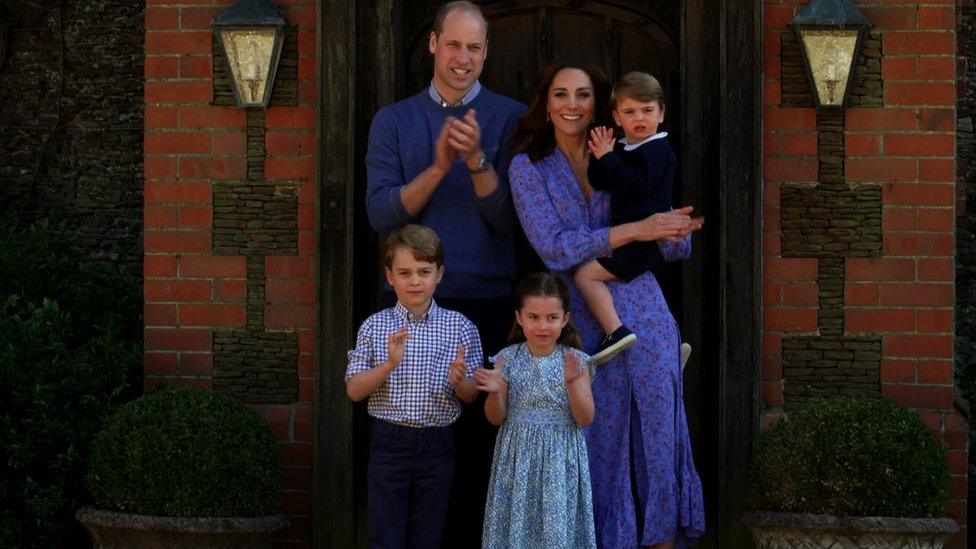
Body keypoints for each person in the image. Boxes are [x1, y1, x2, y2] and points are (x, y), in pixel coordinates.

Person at [507, 59, 706, 548]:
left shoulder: (629, 150)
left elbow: (671, 240)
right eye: (560, 94)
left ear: (601, 106)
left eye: (582, 95)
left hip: (644, 301)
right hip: (578, 316)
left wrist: (673, 231)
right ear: (545, 103)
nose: (571, 105)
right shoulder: (527, 166)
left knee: (659, 433)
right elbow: (553, 246)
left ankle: (661, 540)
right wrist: (638, 230)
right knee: (598, 438)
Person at [364, 2, 525, 544]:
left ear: (486, 52)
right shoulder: (393, 120)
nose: (462, 58)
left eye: (474, 48)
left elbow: (509, 220)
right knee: (406, 449)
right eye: (453, 45)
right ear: (433, 44)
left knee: (478, 448)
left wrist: (478, 161)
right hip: (410, 305)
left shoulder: (512, 118)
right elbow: (382, 214)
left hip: (486, 301)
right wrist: (437, 167)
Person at [345, 224, 481, 548]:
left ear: (440, 274)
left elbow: (472, 395)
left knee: (428, 535)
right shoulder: (375, 326)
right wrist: (389, 364)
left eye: (424, 271)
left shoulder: (460, 327)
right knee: (385, 535)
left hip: (437, 443)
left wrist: (461, 381)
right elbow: (354, 390)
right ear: (390, 277)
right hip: (389, 443)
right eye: (405, 272)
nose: (415, 281)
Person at [475, 273, 596, 548]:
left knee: (556, 531)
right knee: (518, 528)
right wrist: (495, 392)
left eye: (552, 317)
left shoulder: (576, 361)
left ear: (565, 318)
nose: (543, 326)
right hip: (518, 459)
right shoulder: (507, 358)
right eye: (533, 317)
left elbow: (585, 418)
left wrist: (574, 384)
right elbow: (495, 418)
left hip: (559, 459)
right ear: (519, 317)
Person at [576, 71, 677, 365]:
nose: (640, 118)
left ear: (661, 113)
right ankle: (664, 346)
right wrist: (600, 154)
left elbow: (635, 185)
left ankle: (615, 331)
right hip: (629, 240)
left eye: (647, 110)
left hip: (642, 244)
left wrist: (609, 158)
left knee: (585, 275)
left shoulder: (657, 150)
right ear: (618, 118)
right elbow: (601, 181)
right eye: (630, 112)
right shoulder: (625, 147)